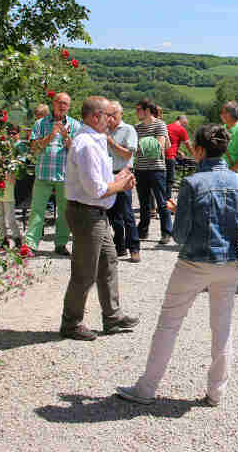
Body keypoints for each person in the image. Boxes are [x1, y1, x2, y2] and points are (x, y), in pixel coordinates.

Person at [116, 124, 238, 406]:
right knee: (222, 327)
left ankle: (146, 388)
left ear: (199, 150)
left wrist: (178, 211)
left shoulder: (192, 183)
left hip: (195, 262)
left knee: (169, 324)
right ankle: (216, 392)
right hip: (231, 262)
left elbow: (181, 235)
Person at [59, 96, 139, 341]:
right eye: (109, 115)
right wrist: (121, 184)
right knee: (85, 272)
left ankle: (112, 316)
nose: (113, 120)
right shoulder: (87, 145)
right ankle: (71, 323)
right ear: (95, 117)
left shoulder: (93, 141)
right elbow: (95, 190)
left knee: (108, 263)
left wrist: (118, 180)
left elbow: (98, 185)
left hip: (94, 212)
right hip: (86, 213)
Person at [26, 92, 79, 256]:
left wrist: (66, 137)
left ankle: (61, 244)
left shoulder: (75, 125)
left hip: (65, 175)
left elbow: (77, 151)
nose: (62, 106)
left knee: (64, 212)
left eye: (66, 104)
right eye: (60, 102)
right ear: (53, 103)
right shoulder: (40, 124)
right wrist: (50, 136)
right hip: (43, 173)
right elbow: (34, 148)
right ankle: (30, 245)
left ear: (69, 107)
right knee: (36, 210)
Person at [134, 98, 173, 244]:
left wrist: (141, 146)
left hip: (157, 169)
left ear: (147, 111)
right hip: (140, 169)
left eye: (139, 110)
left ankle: (166, 232)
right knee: (144, 203)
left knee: (161, 202)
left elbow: (159, 148)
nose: (136, 112)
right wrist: (148, 144)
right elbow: (134, 148)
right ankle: (142, 231)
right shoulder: (137, 127)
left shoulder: (160, 124)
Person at [106, 100, 140, 262]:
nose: (110, 118)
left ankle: (134, 248)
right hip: (108, 175)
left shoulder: (128, 130)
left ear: (120, 114)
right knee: (112, 214)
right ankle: (119, 246)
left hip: (124, 173)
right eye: (107, 115)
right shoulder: (103, 130)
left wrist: (110, 142)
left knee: (127, 213)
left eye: (113, 115)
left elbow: (128, 155)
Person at [0, 124, 22, 246]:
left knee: (10, 218)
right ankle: (3, 238)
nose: (11, 135)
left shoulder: (16, 155)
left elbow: (16, 173)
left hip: (8, 188)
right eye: (9, 133)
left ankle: (17, 238)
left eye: (14, 133)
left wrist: (13, 175)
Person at [165, 115, 191, 196]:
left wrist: (178, 151)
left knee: (161, 180)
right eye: (185, 123)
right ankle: (167, 202)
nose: (186, 125)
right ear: (182, 120)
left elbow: (171, 143)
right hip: (170, 157)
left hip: (161, 156)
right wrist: (195, 155)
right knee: (169, 181)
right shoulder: (181, 129)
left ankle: (159, 203)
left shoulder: (167, 126)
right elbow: (188, 144)